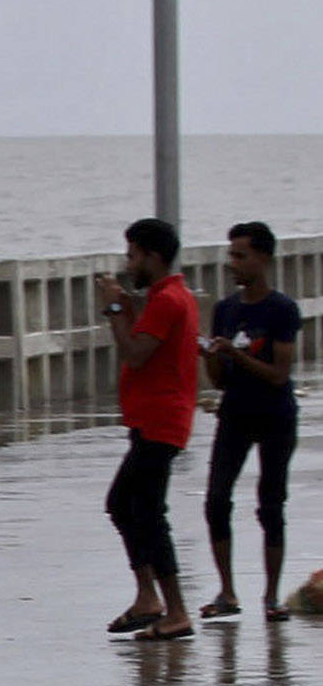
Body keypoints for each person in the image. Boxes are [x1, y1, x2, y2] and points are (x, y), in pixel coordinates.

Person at [97, 216, 201, 642]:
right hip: (151, 420)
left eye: (134, 255)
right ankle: (148, 597)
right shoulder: (164, 296)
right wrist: (128, 307)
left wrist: (116, 308)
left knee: (147, 511)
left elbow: (136, 353)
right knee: (124, 504)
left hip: (163, 420)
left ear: (153, 257)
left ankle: (173, 609)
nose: (128, 263)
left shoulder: (170, 299)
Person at [200, 219, 300, 623]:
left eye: (240, 256)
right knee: (216, 500)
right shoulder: (226, 310)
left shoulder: (281, 309)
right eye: (231, 255)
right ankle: (227, 591)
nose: (233, 263)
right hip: (235, 414)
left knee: (270, 504)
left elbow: (279, 374)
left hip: (275, 415)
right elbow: (220, 380)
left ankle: (271, 597)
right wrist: (211, 357)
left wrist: (238, 356)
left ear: (263, 258)